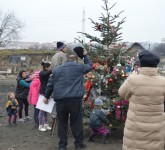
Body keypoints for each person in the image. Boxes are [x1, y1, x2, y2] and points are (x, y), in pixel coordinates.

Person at [43, 46, 92, 150]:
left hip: (60, 100)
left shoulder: (56, 70)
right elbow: (90, 65)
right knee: (76, 122)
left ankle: (62, 145)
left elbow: (50, 84)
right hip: (75, 100)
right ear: (75, 59)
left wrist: (46, 96)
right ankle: (78, 144)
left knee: (62, 123)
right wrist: (85, 56)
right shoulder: (79, 67)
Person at [118, 50, 165, 150]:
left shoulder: (133, 80)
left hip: (135, 128)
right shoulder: (163, 81)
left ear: (141, 64)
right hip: (156, 128)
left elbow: (121, 94)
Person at [38, 61, 52, 132]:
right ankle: (40, 125)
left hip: (47, 92)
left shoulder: (47, 72)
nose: (50, 68)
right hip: (43, 92)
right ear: (46, 67)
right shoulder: (42, 73)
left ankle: (46, 124)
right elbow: (47, 73)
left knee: (46, 109)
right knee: (42, 109)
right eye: (49, 67)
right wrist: (54, 69)